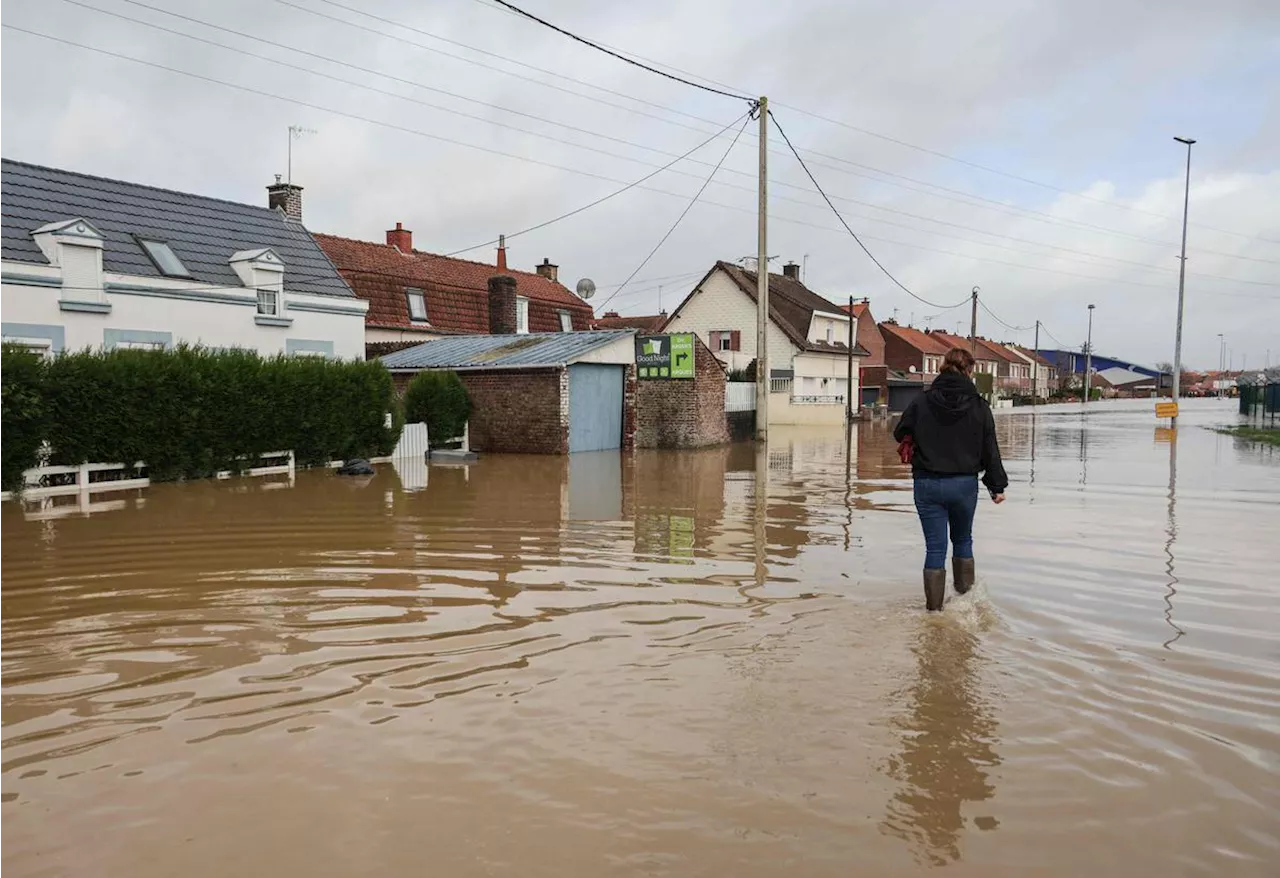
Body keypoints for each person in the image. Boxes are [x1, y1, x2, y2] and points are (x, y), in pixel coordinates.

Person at [893, 347, 1008, 611]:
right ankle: (965, 605)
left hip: (927, 483)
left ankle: (933, 612)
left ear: (942, 367)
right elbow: (990, 448)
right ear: (969, 371)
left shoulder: (921, 401)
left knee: (935, 549)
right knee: (963, 541)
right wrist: (996, 486)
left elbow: (900, 433)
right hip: (964, 485)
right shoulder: (979, 405)